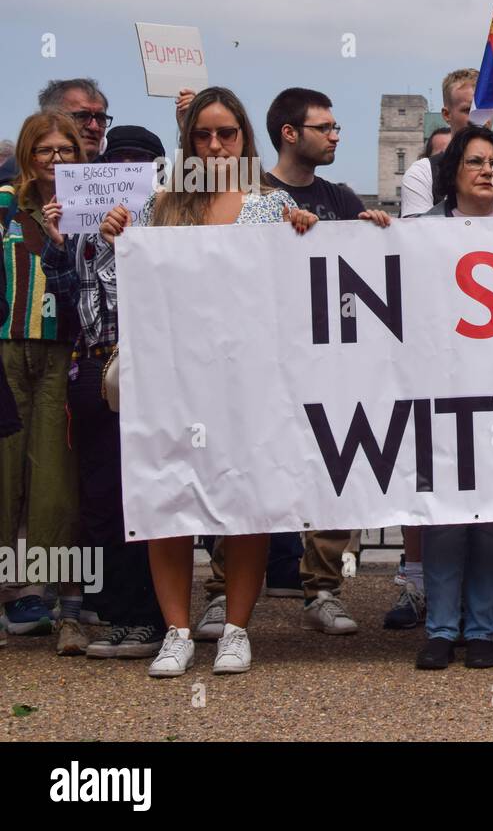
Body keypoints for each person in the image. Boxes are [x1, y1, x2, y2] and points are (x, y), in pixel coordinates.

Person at [97, 87, 324, 678]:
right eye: (203, 134)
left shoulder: (269, 207)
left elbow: (303, 287)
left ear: (246, 138)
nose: (216, 144)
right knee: (168, 498)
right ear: (189, 141)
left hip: (244, 379)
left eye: (227, 133)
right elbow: (116, 284)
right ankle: (176, 630)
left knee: (243, 502)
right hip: (172, 381)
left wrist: (306, 231)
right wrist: (113, 234)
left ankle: (236, 630)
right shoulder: (160, 205)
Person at [262, 86, 392, 635]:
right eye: (326, 128)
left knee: (341, 469)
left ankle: (324, 588)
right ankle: (223, 591)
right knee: (251, 465)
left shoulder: (338, 196)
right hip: (266, 358)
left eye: (337, 127)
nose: (337, 136)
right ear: (291, 133)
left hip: (332, 360)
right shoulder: (252, 195)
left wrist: (375, 232)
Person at [40, 126, 169, 660]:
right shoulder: (81, 227)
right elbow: (67, 302)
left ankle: (154, 617)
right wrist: (56, 248)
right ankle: (120, 613)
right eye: (119, 162)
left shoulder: (171, 219)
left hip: (156, 368)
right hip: (95, 367)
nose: (127, 173)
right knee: (103, 498)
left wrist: (140, 241)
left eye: (141, 164)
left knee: (153, 496)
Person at [412, 124, 493, 671]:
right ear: (452, 173)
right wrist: (372, 233)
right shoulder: (417, 233)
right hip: (440, 391)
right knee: (444, 514)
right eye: (476, 162)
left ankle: (483, 627)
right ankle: (441, 628)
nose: (489, 171)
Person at [0, 113, 85, 654]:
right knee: (3, 482)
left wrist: (63, 235)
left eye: (66, 150)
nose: (56, 160)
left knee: (57, 489)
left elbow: (93, 281)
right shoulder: (4, 201)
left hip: (61, 354)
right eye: (45, 150)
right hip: (6, 352)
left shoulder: (93, 207)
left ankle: (67, 609)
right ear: (27, 154)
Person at [400, 69, 493, 216]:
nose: (480, 118)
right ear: (447, 114)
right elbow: (416, 233)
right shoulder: (423, 173)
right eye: (469, 110)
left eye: (485, 109)